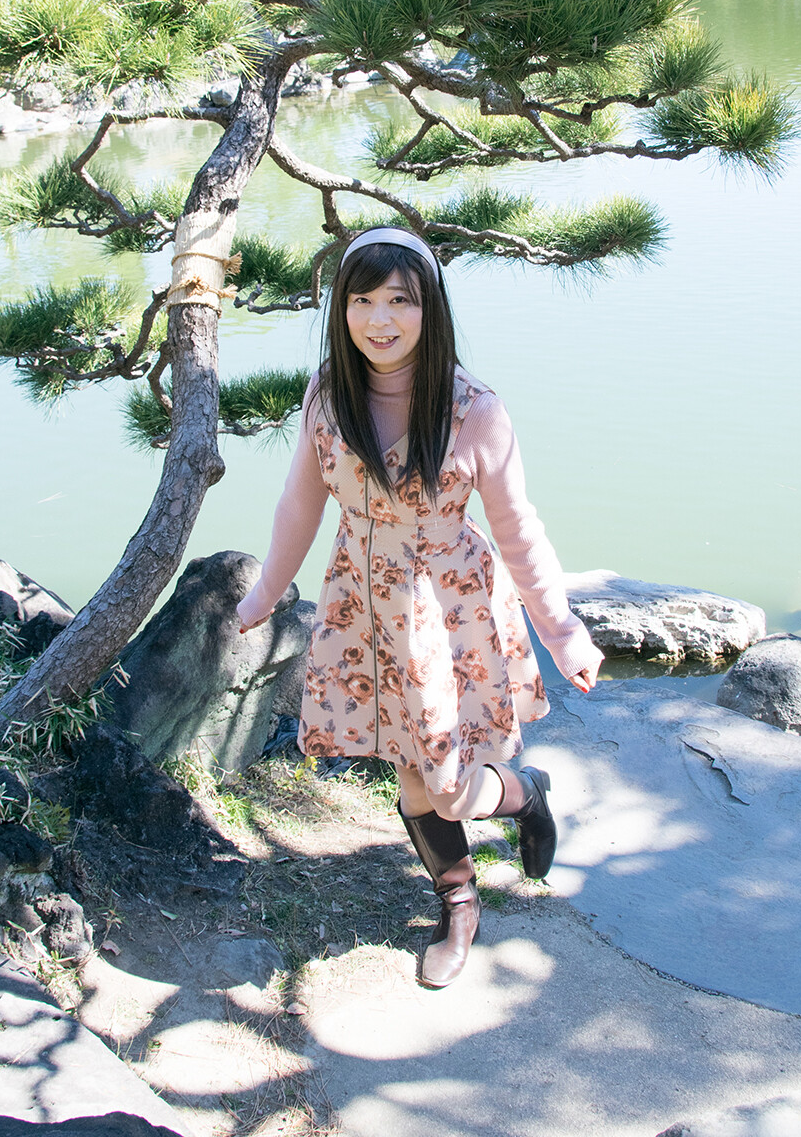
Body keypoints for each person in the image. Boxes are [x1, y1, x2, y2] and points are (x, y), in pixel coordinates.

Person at [236, 226, 604, 987]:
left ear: (429, 308)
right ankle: (457, 903)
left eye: (399, 301)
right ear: (340, 309)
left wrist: (563, 631)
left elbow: (517, 528)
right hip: (363, 607)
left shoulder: (475, 410)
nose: (380, 320)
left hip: (447, 612)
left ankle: (522, 795)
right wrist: (266, 592)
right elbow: (300, 503)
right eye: (361, 300)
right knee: (412, 775)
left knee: (446, 784)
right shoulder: (327, 393)